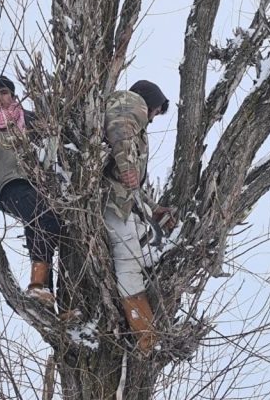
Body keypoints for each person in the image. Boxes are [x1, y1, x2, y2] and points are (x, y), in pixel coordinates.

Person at [0, 75, 61, 306]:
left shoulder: (28, 119)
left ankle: (43, 288)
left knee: (46, 222)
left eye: (3, 92)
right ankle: (38, 284)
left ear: (13, 94)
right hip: (7, 183)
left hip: (36, 183)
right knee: (40, 214)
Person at [103, 80, 176, 354]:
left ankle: (143, 326)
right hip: (112, 202)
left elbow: (134, 185)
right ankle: (145, 334)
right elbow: (119, 132)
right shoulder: (131, 102)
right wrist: (125, 167)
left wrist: (152, 207)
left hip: (121, 201)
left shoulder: (131, 113)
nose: (154, 119)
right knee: (129, 264)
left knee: (144, 254)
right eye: (157, 112)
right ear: (151, 103)